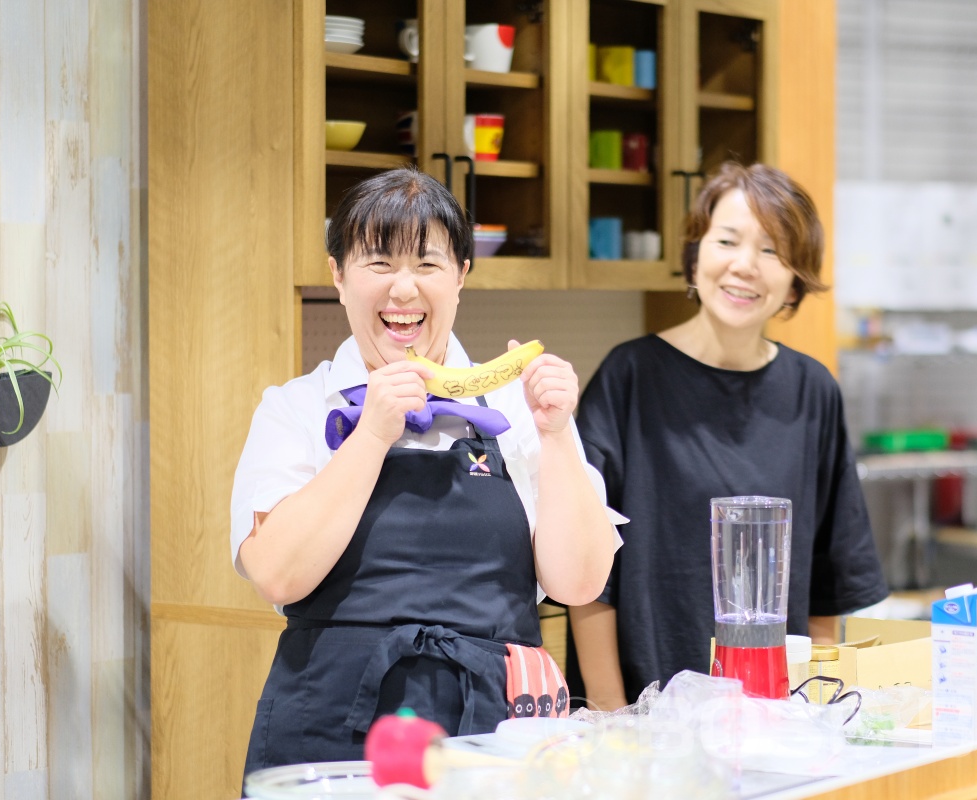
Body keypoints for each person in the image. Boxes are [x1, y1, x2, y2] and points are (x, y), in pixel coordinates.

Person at [230, 168, 621, 774]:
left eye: (428, 264)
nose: (403, 289)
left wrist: (555, 433)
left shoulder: (520, 409)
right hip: (324, 731)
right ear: (338, 275)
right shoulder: (295, 408)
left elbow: (579, 583)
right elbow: (277, 575)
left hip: (496, 737)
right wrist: (372, 434)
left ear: (461, 275)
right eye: (378, 263)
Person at [565, 162, 888, 711]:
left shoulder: (812, 391)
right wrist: (612, 716)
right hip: (651, 719)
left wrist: (814, 711)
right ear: (696, 254)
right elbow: (587, 571)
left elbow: (830, 583)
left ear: (795, 280)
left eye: (772, 250)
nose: (745, 266)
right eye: (728, 241)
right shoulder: (629, 377)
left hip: (776, 715)